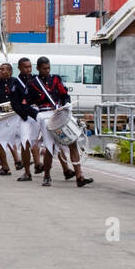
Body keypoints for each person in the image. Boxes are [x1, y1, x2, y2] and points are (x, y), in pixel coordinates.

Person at [31, 56, 93, 188]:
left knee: (72, 142)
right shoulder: (33, 83)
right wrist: (36, 114)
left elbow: (65, 95)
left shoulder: (56, 79)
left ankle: (79, 176)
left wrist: (65, 105)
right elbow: (27, 102)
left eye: (48, 68)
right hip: (45, 114)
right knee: (49, 146)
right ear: (38, 68)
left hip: (59, 112)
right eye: (44, 69)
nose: (47, 71)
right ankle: (47, 175)